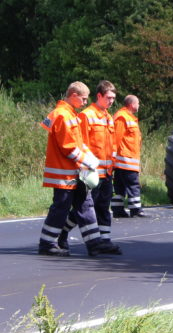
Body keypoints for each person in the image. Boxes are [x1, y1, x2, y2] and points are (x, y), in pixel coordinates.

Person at [37, 82, 118, 257]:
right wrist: (88, 162)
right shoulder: (62, 115)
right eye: (82, 98)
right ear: (73, 95)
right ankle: (47, 243)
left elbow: (80, 144)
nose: (84, 101)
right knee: (61, 207)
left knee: (86, 205)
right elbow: (68, 147)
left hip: (75, 172)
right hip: (64, 173)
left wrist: (91, 160)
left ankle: (94, 243)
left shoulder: (70, 114)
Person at [73, 81, 121, 248]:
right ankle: (62, 232)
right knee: (84, 210)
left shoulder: (108, 117)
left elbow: (112, 146)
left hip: (107, 173)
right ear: (99, 96)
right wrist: (84, 170)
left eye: (114, 98)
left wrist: (112, 167)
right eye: (108, 97)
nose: (111, 101)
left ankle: (105, 241)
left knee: (104, 208)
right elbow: (83, 145)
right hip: (92, 174)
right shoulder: (87, 116)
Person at [113, 95, 146, 217]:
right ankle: (136, 210)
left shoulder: (128, 117)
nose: (139, 106)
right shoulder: (122, 117)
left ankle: (118, 210)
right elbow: (115, 138)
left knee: (120, 186)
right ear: (132, 104)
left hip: (126, 160)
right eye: (138, 103)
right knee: (133, 185)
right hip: (125, 160)